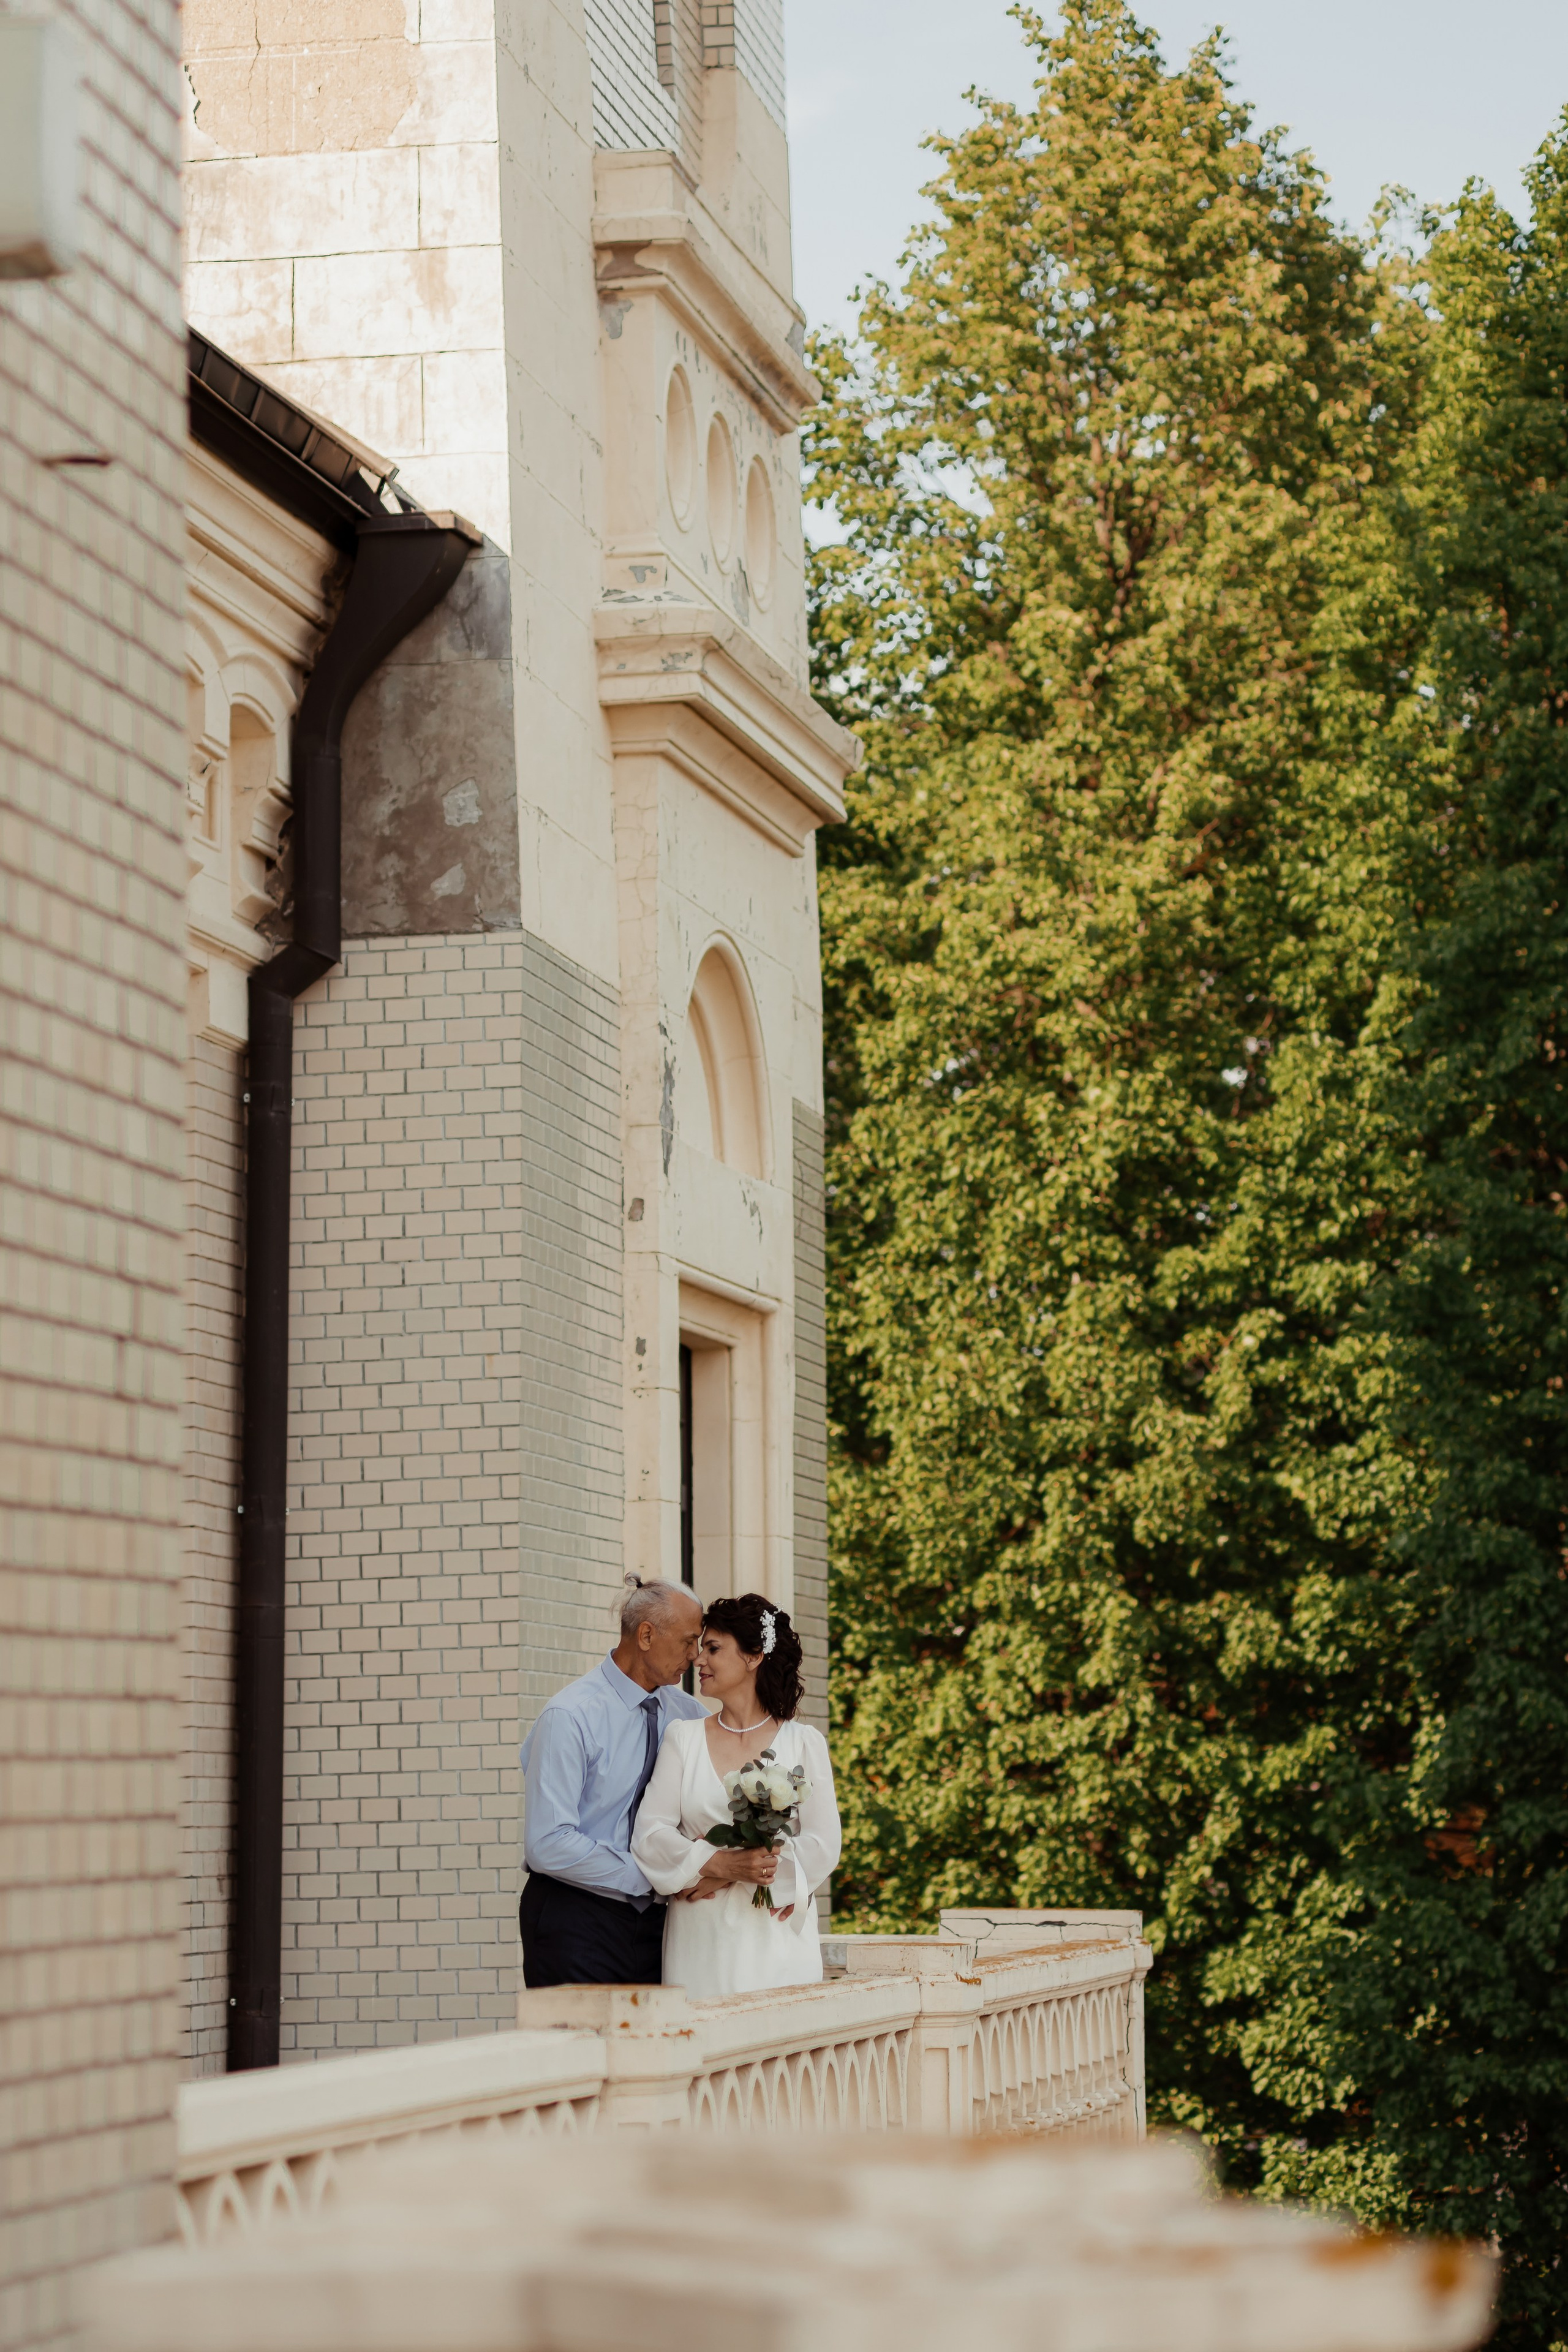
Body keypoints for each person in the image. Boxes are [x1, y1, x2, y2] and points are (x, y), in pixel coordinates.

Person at [518, 1575, 777, 1987]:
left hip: (665, 1926)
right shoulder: (569, 1717)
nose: (696, 1656)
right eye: (689, 1641)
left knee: (655, 2048)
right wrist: (661, 1875)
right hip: (578, 1919)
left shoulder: (690, 1717)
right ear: (645, 1635)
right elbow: (549, 1843)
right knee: (586, 2049)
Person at [630, 1594, 840, 1997]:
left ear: (754, 1656)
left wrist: (747, 1871)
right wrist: (719, 1865)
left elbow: (824, 1843)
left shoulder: (805, 1743)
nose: (698, 1660)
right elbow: (650, 1834)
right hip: (699, 1941)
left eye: (713, 1648)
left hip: (776, 1937)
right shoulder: (683, 1739)